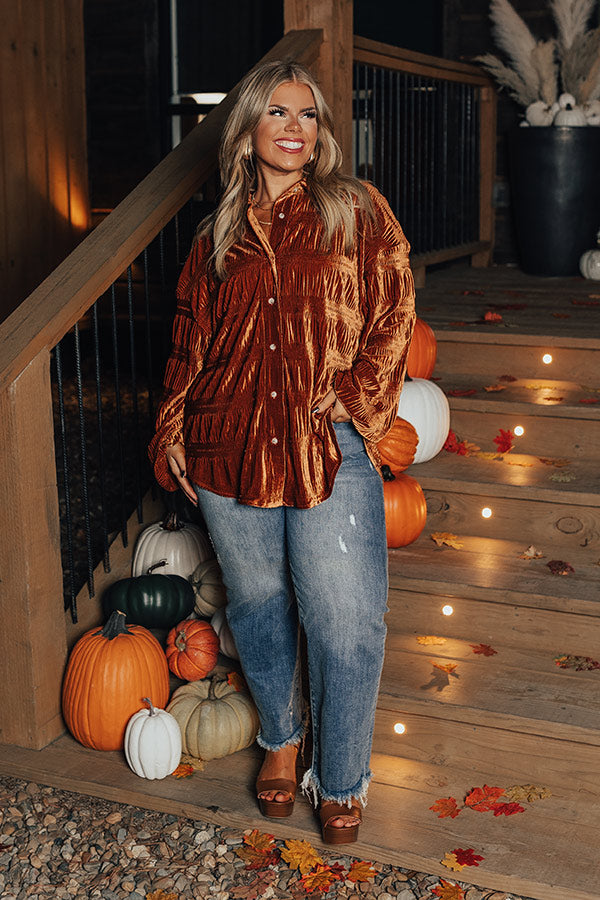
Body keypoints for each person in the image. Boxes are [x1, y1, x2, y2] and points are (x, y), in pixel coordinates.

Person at [148, 58, 415, 844]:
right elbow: (190, 341)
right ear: (249, 131)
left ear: (321, 134)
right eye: (277, 113)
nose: (295, 126)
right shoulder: (216, 234)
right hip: (226, 438)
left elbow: (395, 306)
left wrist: (359, 395)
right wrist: (172, 428)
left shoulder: (355, 210)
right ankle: (278, 738)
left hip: (324, 442)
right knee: (258, 607)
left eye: (308, 115)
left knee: (347, 619)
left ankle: (339, 778)